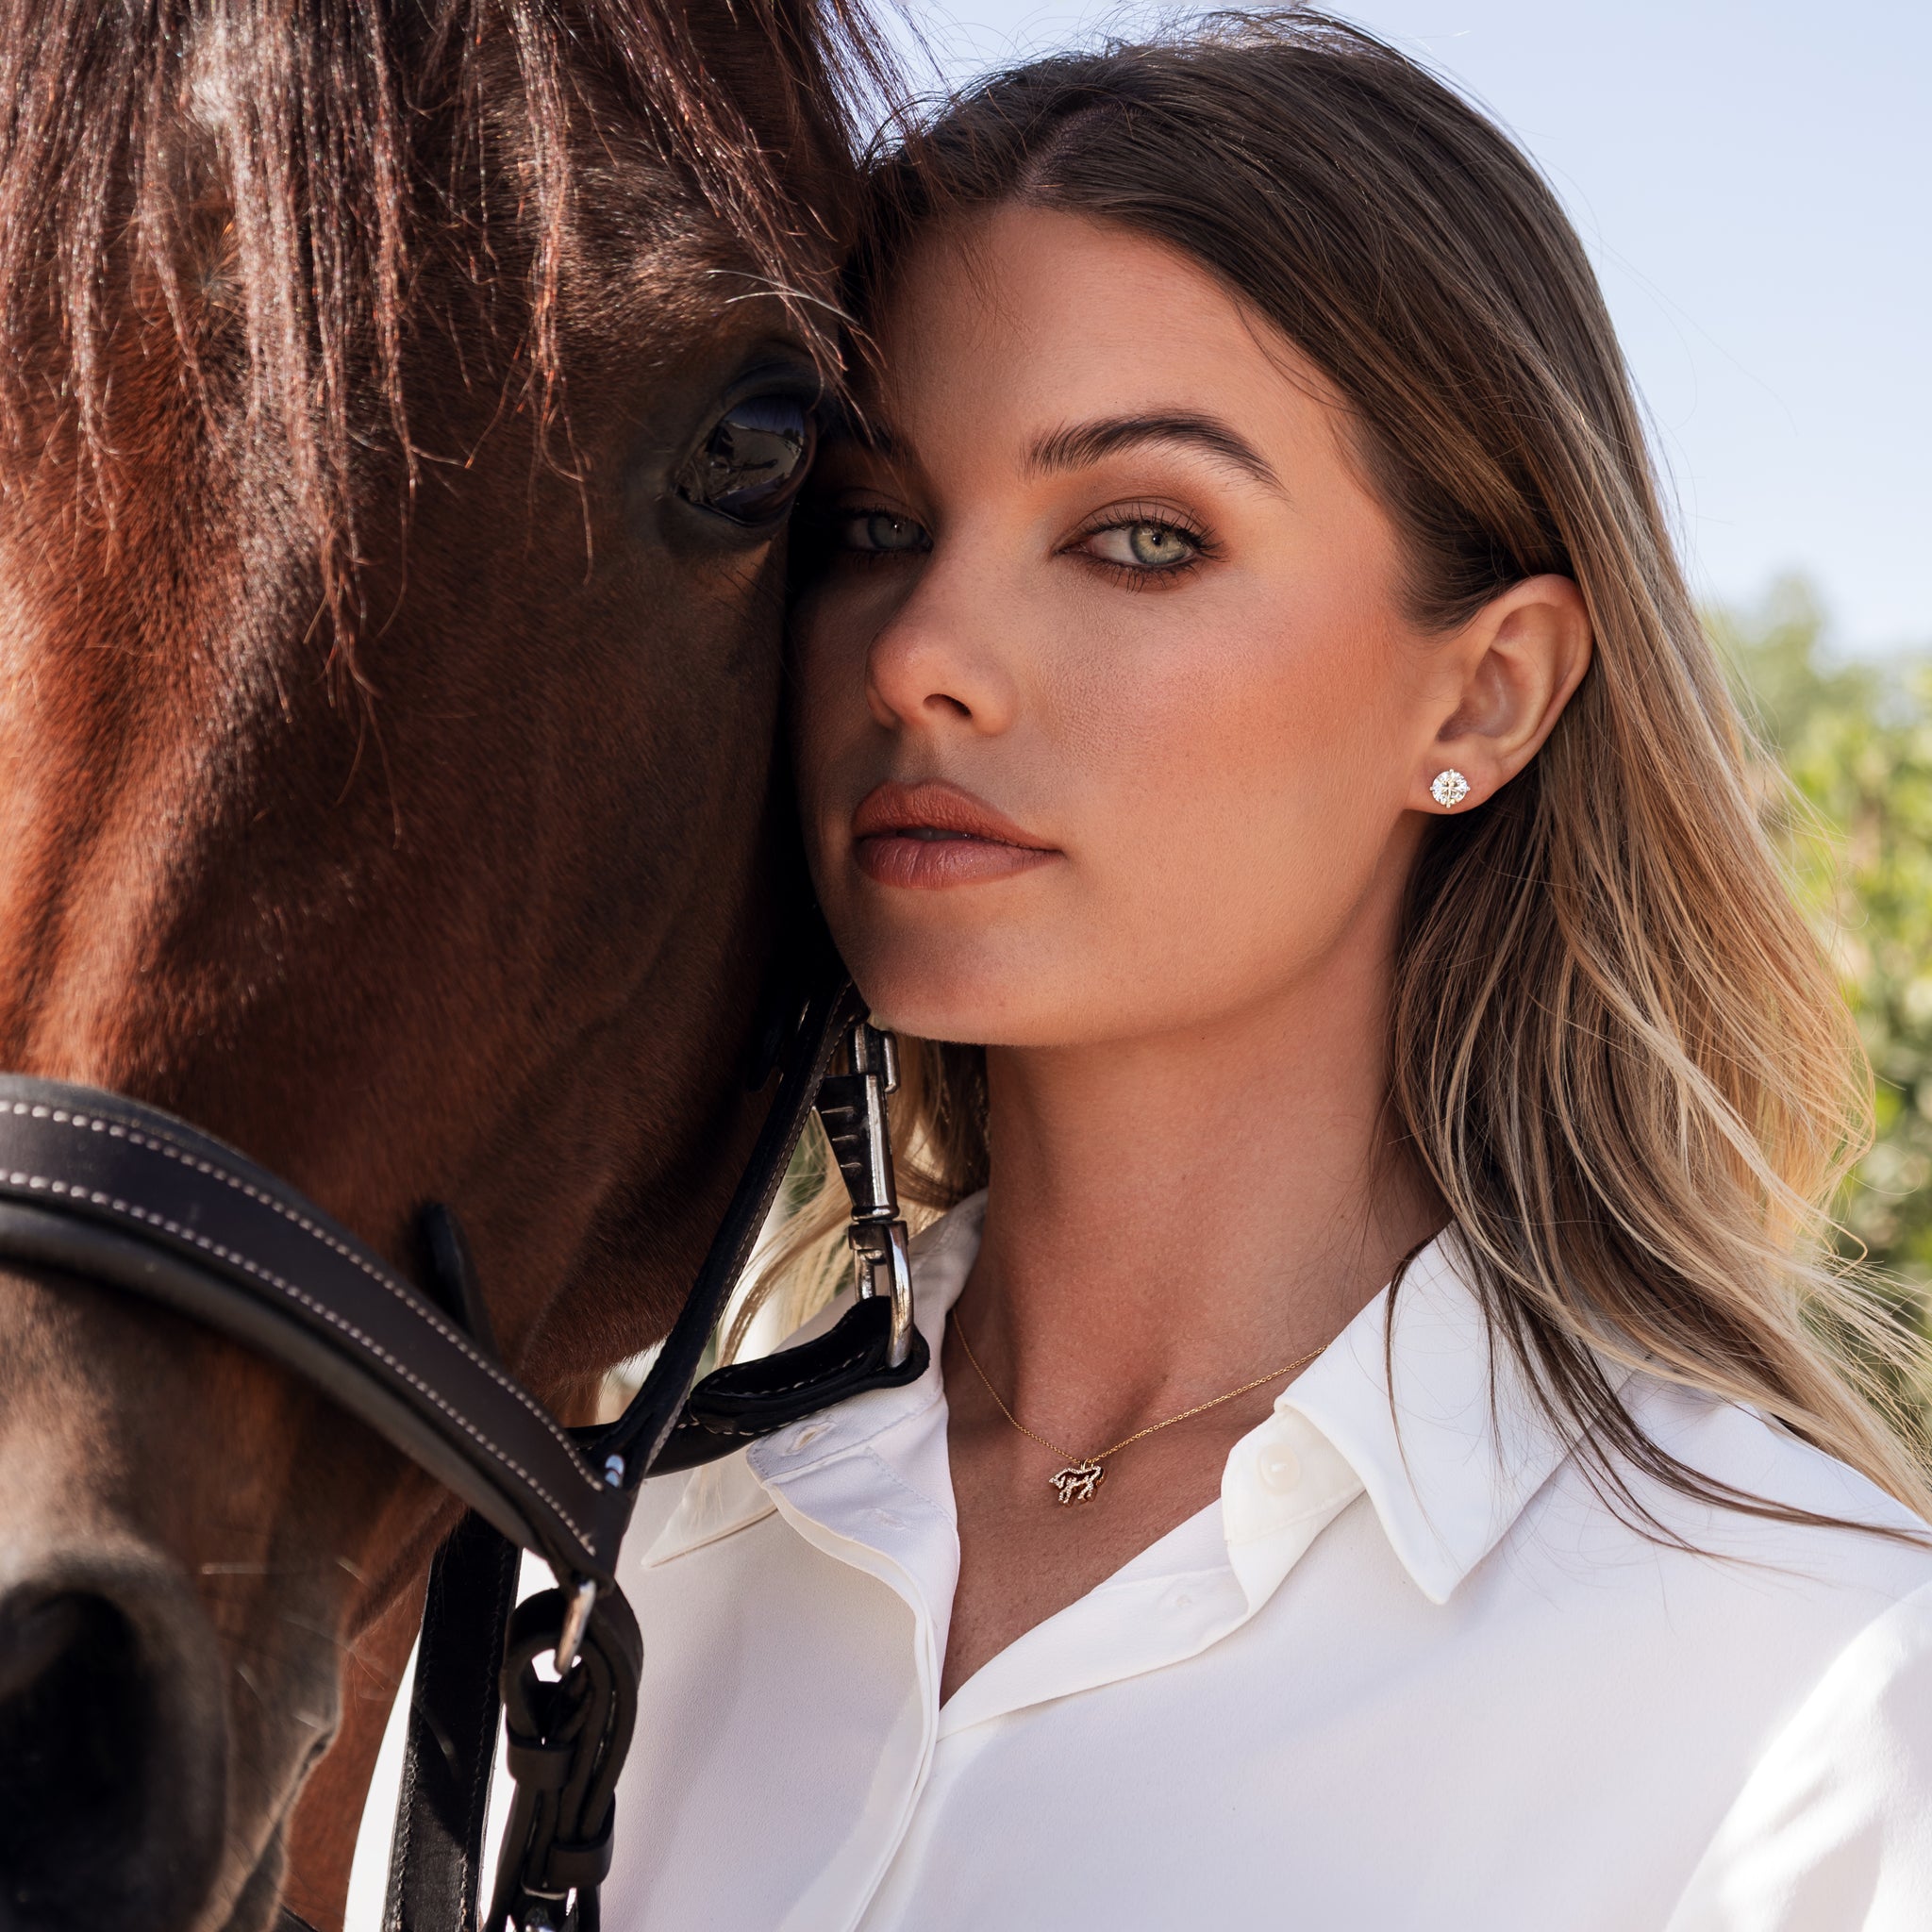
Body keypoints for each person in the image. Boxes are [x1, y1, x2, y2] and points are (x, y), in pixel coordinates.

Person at [601, 14, 1932, 1926]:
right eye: (870, 527)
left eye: (1140, 537)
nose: (921, 654)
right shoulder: (595, 1548)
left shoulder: (1803, 1701)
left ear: (1482, 690)